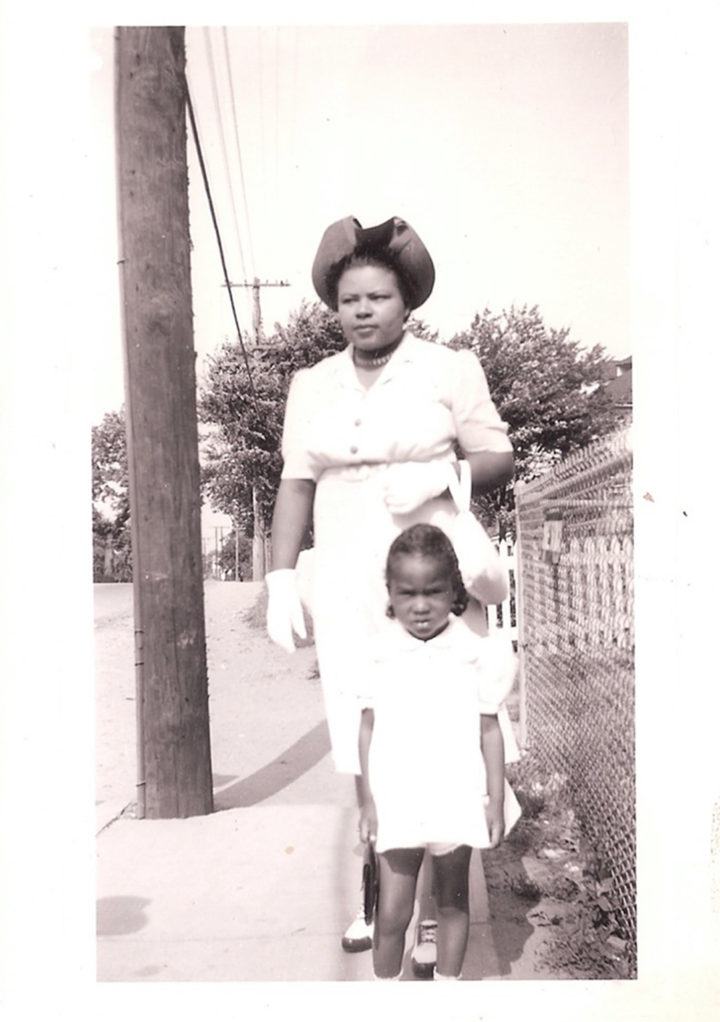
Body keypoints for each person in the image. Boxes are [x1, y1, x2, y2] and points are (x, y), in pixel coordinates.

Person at [265, 215, 515, 955]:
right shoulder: (312, 384)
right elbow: (296, 481)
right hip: (346, 570)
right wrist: (282, 574)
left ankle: (442, 904)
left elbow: (497, 455)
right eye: (350, 299)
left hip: (427, 566)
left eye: (378, 296)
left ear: (406, 303)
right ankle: (380, 898)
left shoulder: (448, 368)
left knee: (442, 720)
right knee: (364, 725)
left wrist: (445, 472)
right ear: (334, 307)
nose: (364, 310)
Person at [356, 524, 521, 980]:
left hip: (457, 792)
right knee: (392, 912)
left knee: (452, 902)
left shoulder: (476, 654)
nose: (421, 605)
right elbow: (367, 730)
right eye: (407, 593)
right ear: (389, 593)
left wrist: (492, 798)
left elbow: (490, 731)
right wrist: (367, 801)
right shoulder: (377, 654)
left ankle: (449, 991)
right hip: (399, 796)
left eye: (434, 591)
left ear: (455, 591)